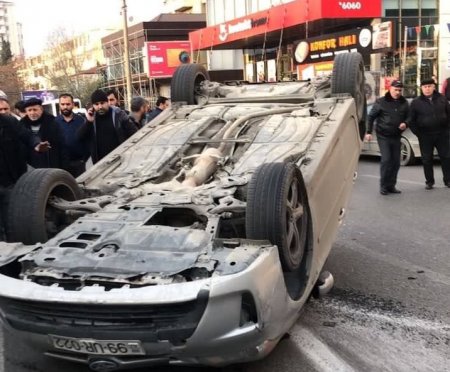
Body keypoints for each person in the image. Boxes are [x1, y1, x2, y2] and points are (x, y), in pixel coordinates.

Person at [0, 114, 50, 240]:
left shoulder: (9, 121)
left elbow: (27, 136)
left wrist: (37, 144)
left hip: (10, 183)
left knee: (12, 222)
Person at [365, 80, 409, 195]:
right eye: (395, 90)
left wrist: (406, 123)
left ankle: (391, 186)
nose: (398, 92)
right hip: (383, 135)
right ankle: (383, 186)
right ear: (390, 88)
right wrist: (368, 132)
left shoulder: (404, 103)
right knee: (386, 159)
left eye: (400, 90)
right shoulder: (381, 102)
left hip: (396, 135)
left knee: (396, 162)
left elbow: (409, 117)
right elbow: (371, 116)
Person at [408, 78, 450, 189]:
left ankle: (448, 180)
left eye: (429, 86)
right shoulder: (416, 102)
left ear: (433, 87)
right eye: (425, 87)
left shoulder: (442, 99)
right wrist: (418, 133)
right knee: (427, 159)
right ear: (421, 88)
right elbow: (411, 120)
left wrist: (447, 130)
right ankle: (429, 181)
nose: (427, 89)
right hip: (425, 135)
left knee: (446, 157)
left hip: (442, 134)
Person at [78, 89, 137, 164]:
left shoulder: (119, 114)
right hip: (100, 164)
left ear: (107, 102)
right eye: (96, 104)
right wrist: (88, 122)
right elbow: (79, 137)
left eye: (102, 103)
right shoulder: (92, 119)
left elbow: (134, 133)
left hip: (121, 160)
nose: (100, 107)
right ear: (93, 106)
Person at [21, 98, 68, 170]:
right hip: (32, 167)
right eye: (29, 110)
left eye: (35, 109)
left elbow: (62, 146)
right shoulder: (21, 125)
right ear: (26, 112)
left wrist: (64, 167)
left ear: (41, 109)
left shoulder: (52, 123)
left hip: (52, 166)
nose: (32, 113)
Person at [55, 93, 90, 177]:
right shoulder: (54, 122)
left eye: (68, 104)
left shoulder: (81, 121)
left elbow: (88, 140)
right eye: (62, 104)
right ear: (59, 105)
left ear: (73, 104)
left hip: (79, 164)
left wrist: (84, 159)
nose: (65, 107)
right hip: (61, 166)